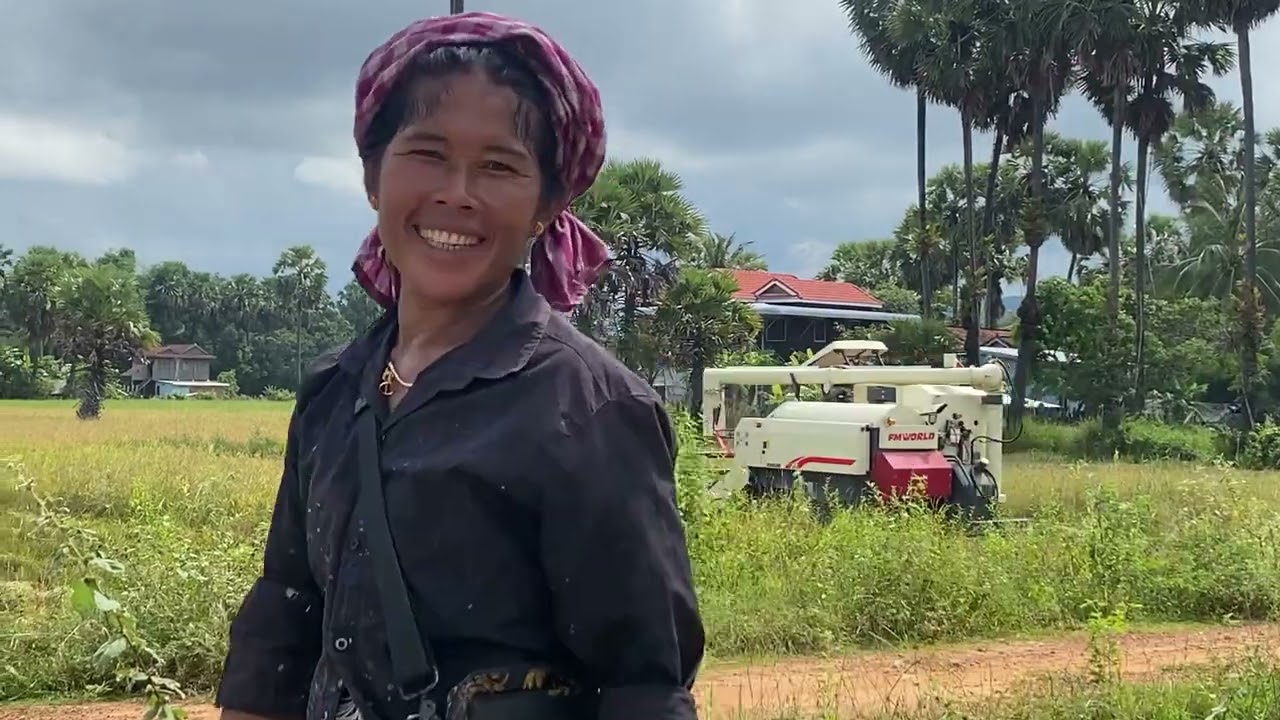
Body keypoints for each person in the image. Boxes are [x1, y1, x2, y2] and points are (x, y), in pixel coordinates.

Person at [215, 11, 705, 720]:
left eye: (500, 166)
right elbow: (286, 606)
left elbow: (642, 682)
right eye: (427, 153)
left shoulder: (588, 410)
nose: (458, 193)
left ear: (547, 206)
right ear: (372, 177)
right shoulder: (333, 389)